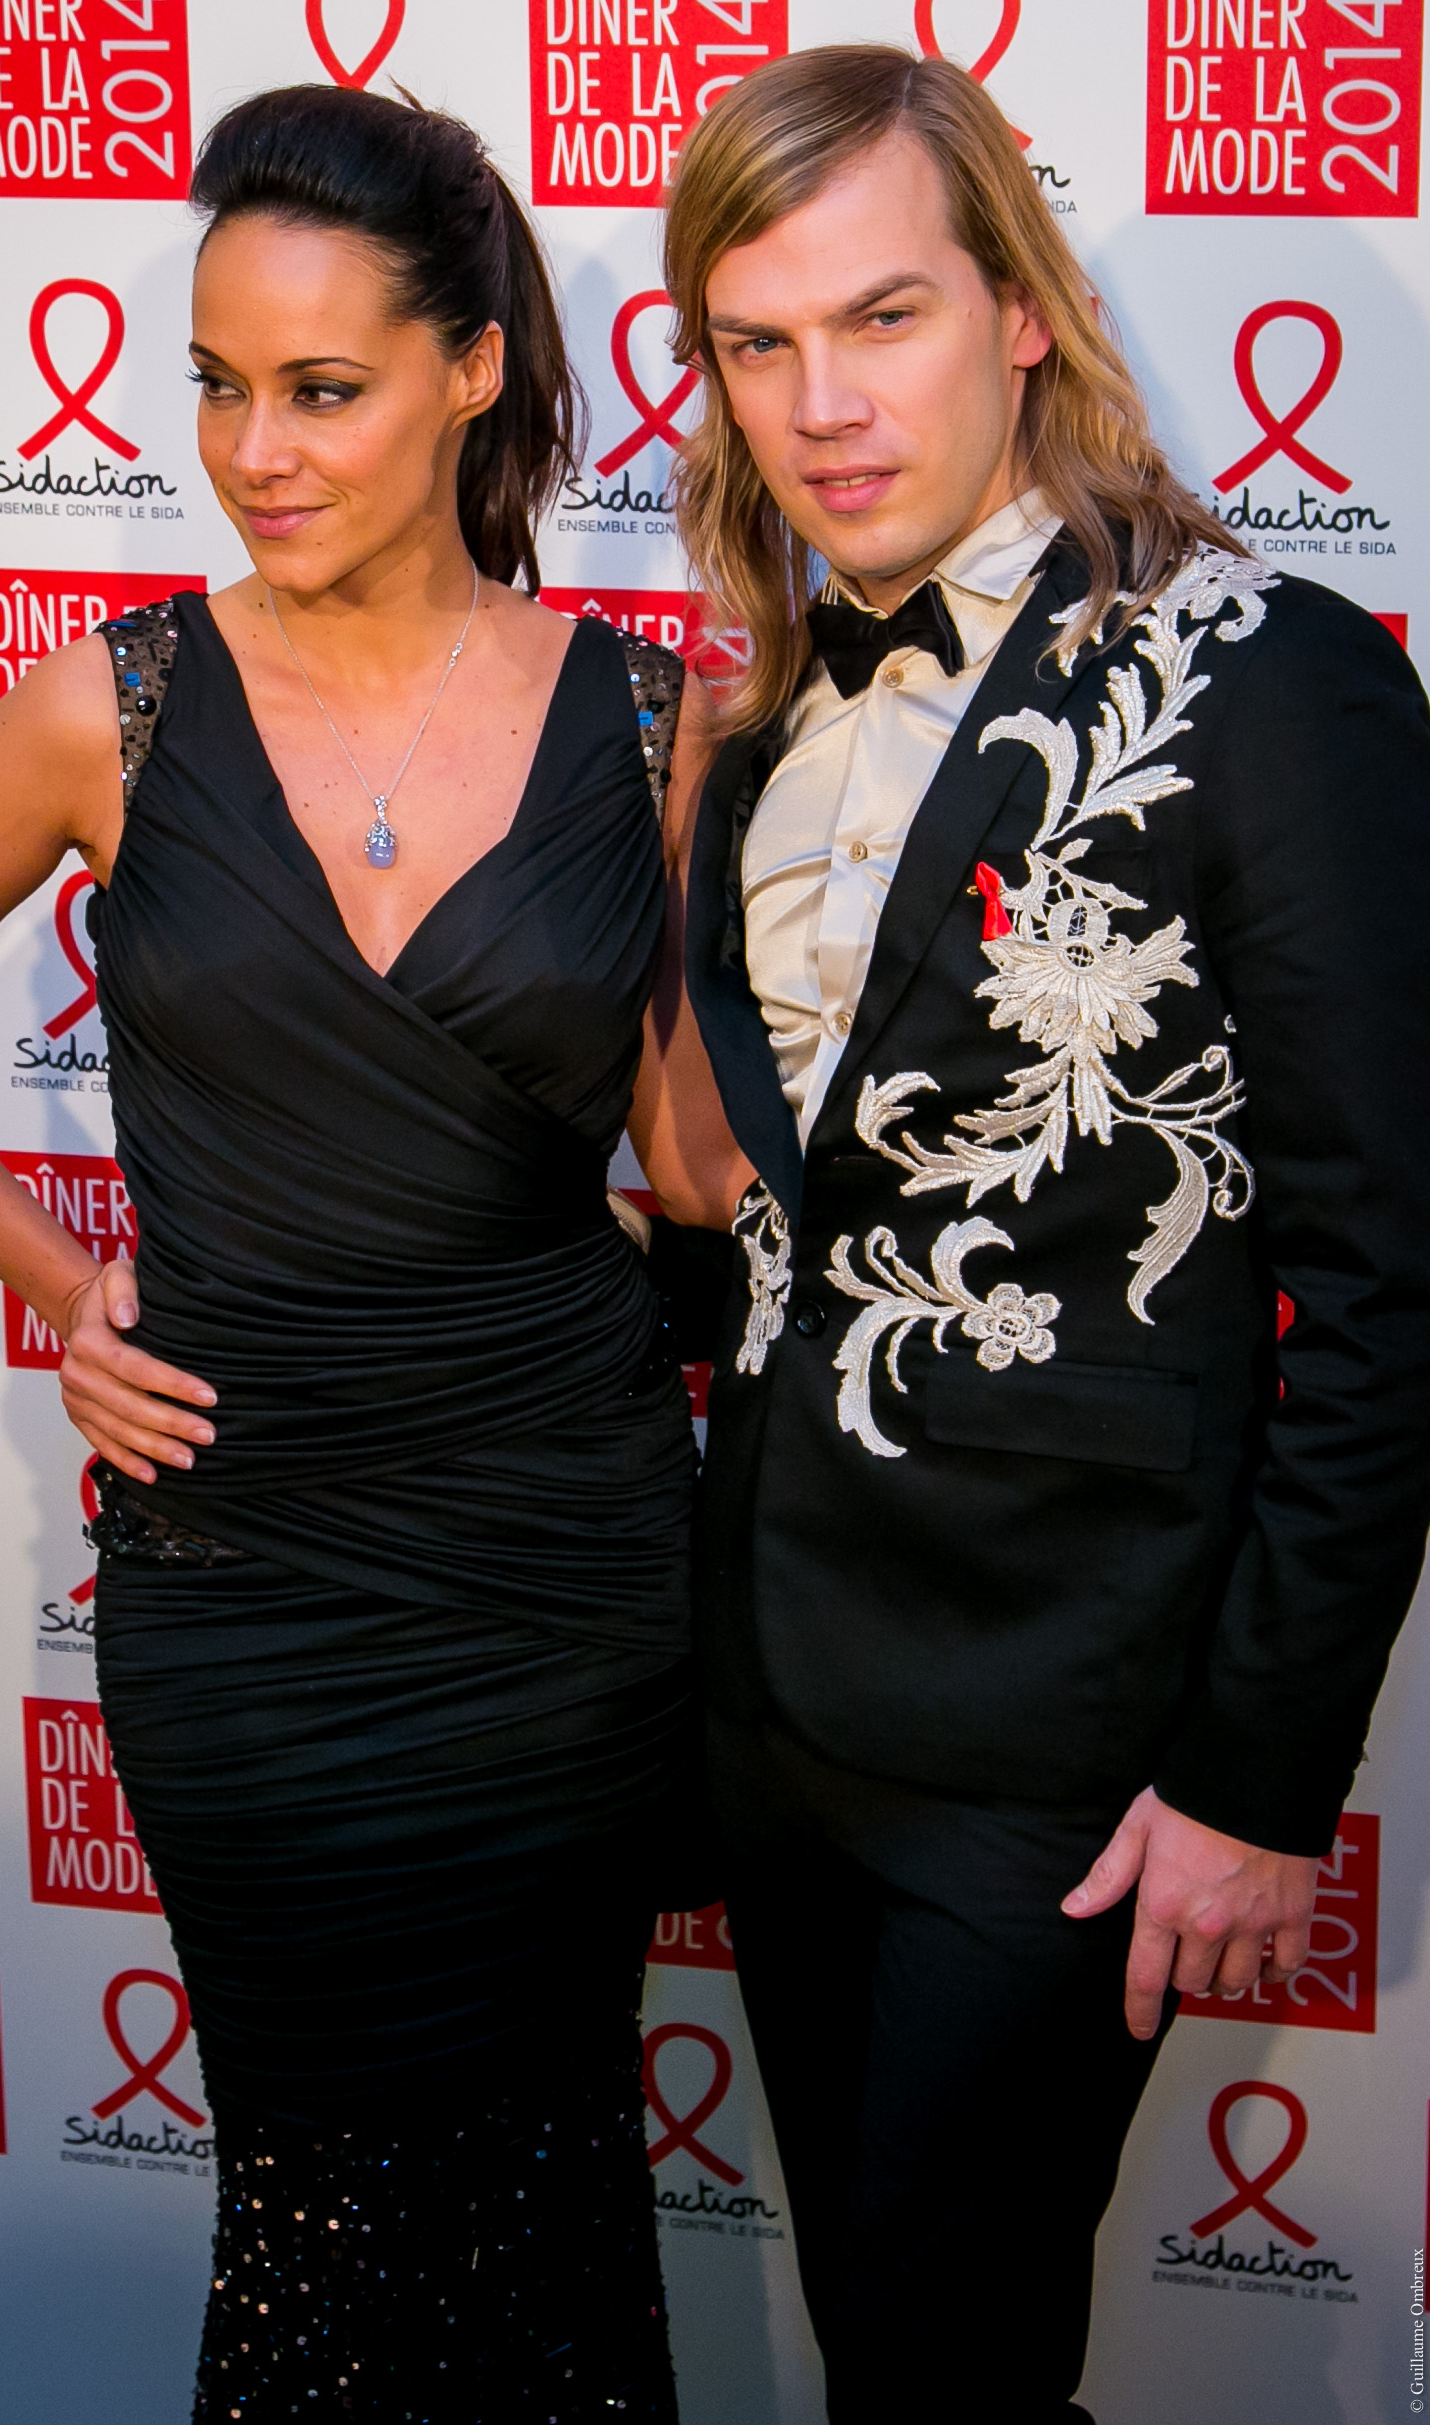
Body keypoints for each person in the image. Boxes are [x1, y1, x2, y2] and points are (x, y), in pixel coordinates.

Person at [0, 85, 744, 2424]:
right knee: (315, 2202)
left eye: (319, 386)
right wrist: (58, 1280)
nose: (253, 448)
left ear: (471, 372)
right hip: (246, 1587)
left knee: (544, 2176)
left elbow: (697, 1181)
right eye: (218, 384)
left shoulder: (653, 724)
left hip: (554, 1571)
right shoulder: (109, 706)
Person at [657, 44, 1430, 2424]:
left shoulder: (1270, 676)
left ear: (1015, 307)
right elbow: (773, 1223)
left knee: (943, 2360)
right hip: (774, 1710)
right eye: (755, 343)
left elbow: (1389, 1285)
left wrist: (1256, 1779)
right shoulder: (760, 717)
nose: (817, 404)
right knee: (889, 2345)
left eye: (878, 317)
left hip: (1066, 1741)